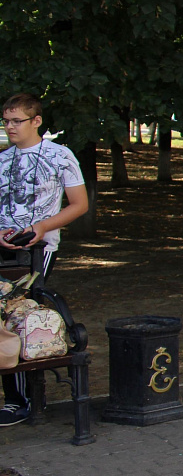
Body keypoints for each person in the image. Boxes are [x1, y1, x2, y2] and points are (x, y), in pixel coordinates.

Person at [0, 93, 89, 427]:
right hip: (4, 245)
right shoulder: (2, 159)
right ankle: (15, 397)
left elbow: (78, 204)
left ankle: (19, 400)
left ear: (36, 121)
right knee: (2, 313)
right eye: (6, 121)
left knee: (19, 310)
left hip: (39, 247)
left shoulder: (59, 155)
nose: (10, 127)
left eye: (16, 121)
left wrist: (42, 227)